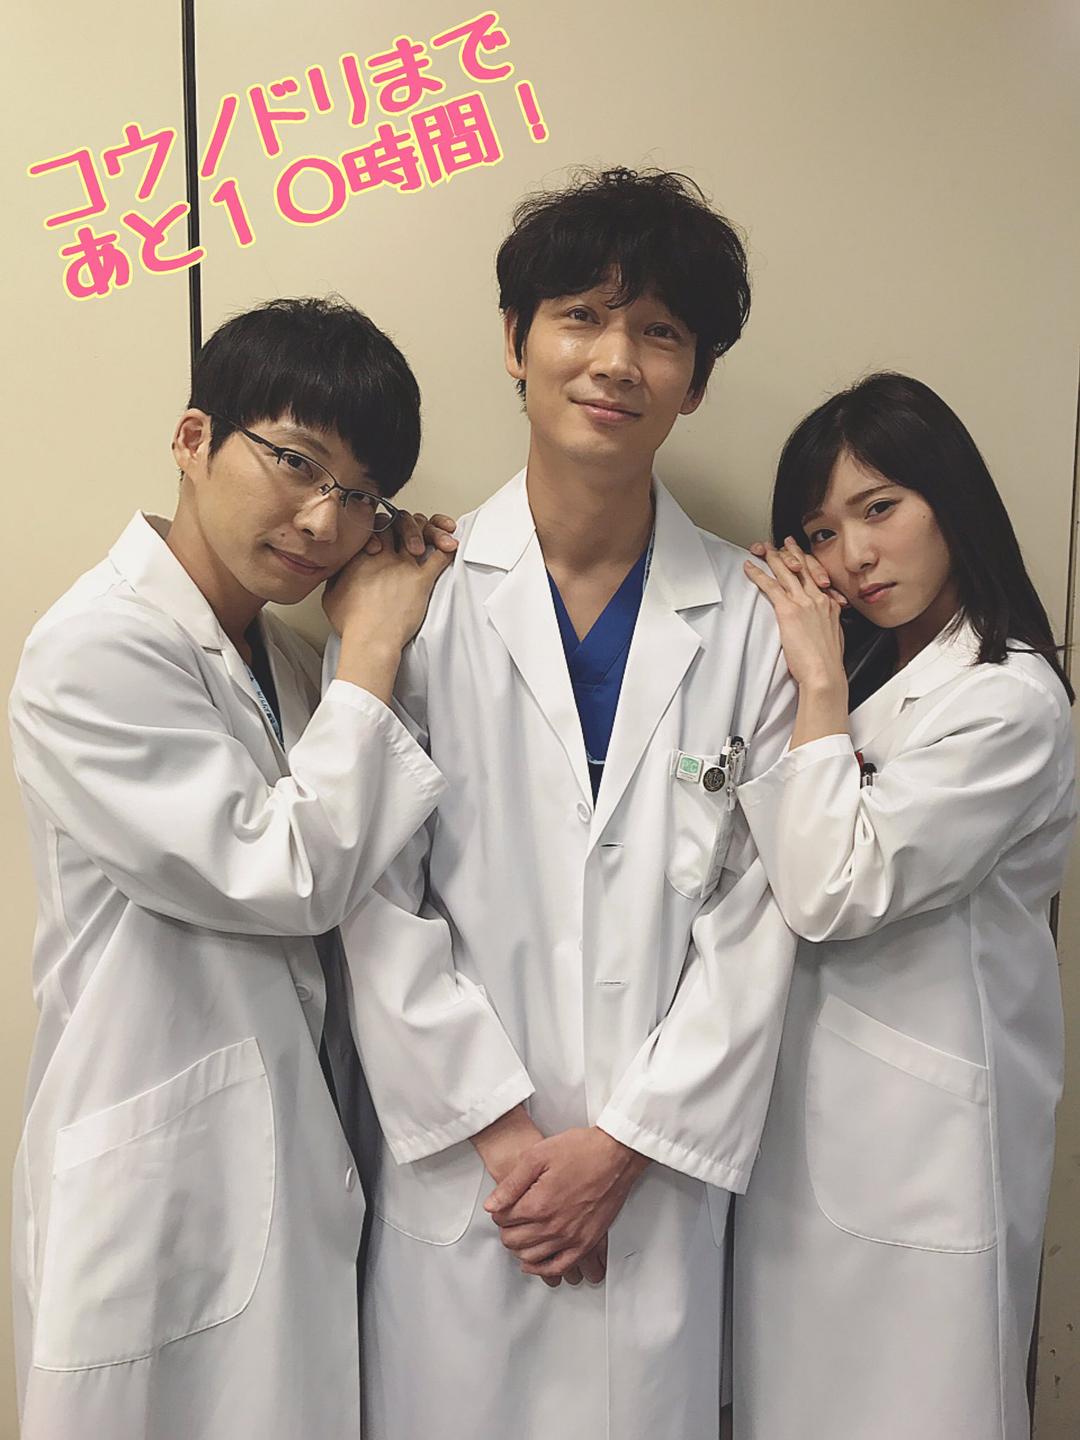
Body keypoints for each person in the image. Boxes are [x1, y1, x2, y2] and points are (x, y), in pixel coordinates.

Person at [327, 167, 799, 1440]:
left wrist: (623, 1148)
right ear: (514, 342)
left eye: (660, 331)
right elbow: (371, 894)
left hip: (653, 1187)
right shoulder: (413, 601)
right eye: (580, 316)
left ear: (696, 380)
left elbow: (762, 922)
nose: (615, 360)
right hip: (470, 1180)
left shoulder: (752, 621)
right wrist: (504, 1138)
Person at [7, 296, 457, 1440]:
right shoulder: (92, 651)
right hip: (160, 1182)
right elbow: (285, 875)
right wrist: (373, 646)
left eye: (359, 496)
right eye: (296, 463)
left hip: (283, 1164)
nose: (322, 520)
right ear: (194, 438)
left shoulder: (287, 661)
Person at [736, 371, 1076, 1439]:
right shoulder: (882, 675)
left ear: (951, 497)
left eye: (879, 508)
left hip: (928, 1144)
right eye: (821, 533)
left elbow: (834, 886)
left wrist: (819, 686)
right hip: (816, 1130)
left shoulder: (1006, 701)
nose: (855, 556)